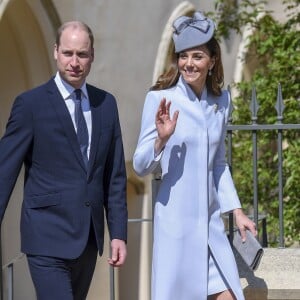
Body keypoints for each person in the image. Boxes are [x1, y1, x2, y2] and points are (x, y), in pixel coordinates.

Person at [133, 11, 257, 300]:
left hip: (211, 229)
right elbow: (140, 165)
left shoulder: (221, 102)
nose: (189, 64)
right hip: (176, 229)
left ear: (212, 61)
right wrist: (160, 140)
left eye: (197, 56)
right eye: (183, 56)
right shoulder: (160, 99)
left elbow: (219, 163)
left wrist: (236, 211)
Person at [0, 21, 128, 300]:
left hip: (88, 239)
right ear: (55, 51)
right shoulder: (30, 105)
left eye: (81, 54)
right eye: (68, 53)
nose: (74, 62)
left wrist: (118, 233)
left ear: (92, 55)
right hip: (45, 235)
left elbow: (114, 175)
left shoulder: (106, 104)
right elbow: (4, 170)